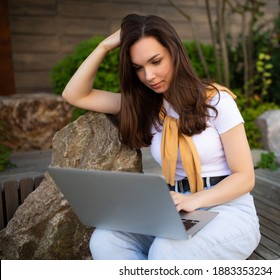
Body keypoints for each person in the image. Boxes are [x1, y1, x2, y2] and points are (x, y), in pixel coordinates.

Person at [62, 14, 260, 260]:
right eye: (139, 68)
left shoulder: (217, 101)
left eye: (156, 61)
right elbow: (75, 95)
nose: (149, 76)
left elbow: (245, 178)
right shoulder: (147, 107)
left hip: (227, 209)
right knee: (105, 240)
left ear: (174, 52)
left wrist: (195, 199)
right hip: (176, 208)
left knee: (166, 251)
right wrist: (105, 46)